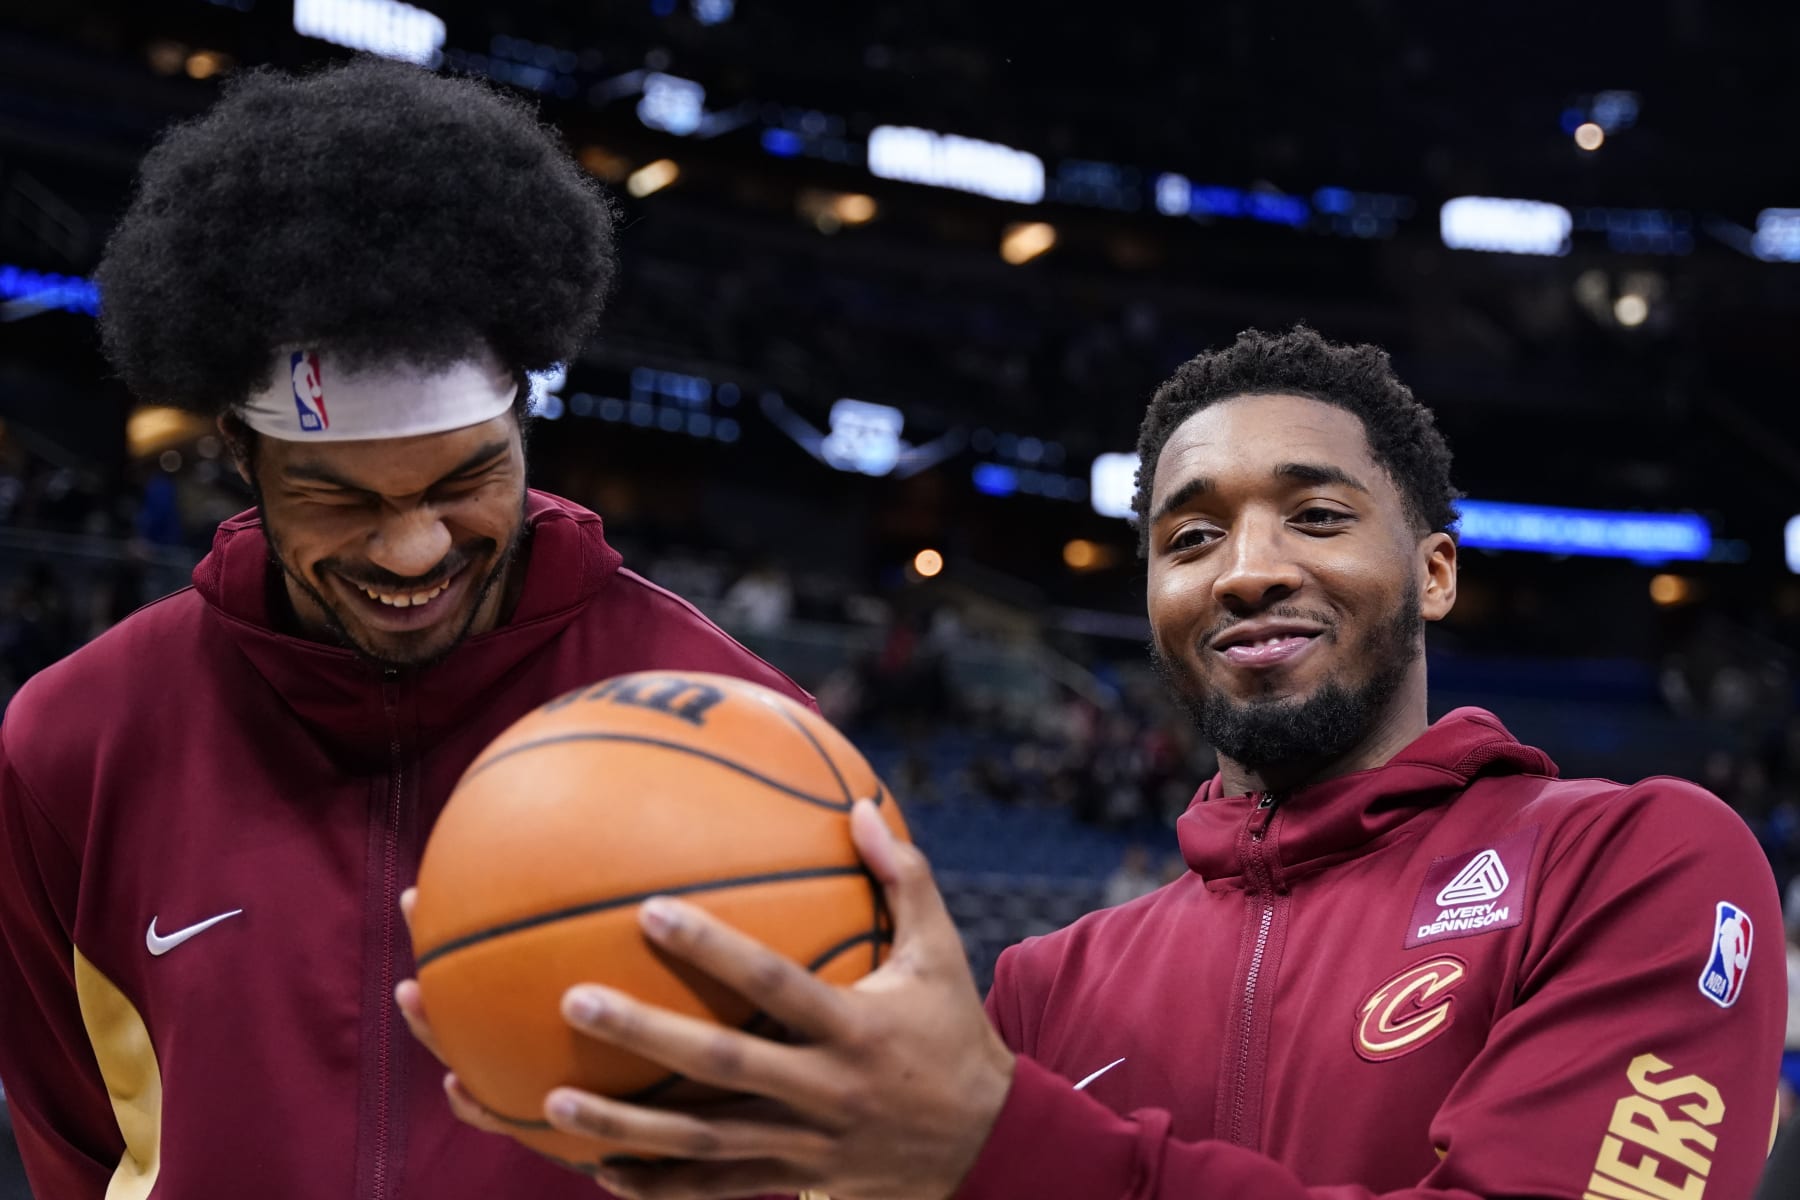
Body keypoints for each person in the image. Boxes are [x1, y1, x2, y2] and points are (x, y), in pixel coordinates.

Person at [406, 327, 1786, 1200]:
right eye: (1189, 540)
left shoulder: (1638, 862)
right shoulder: (1047, 990)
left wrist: (1000, 1147)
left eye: (1314, 514)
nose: (1248, 571)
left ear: (1432, 572)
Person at [0, 59, 813, 1199]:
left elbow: (819, 1151)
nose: (414, 548)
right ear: (241, 451)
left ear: (525, 417)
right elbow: (76, 1147)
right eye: (341, 497)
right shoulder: (76, 744)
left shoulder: (741, 730)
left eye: (462, 482)